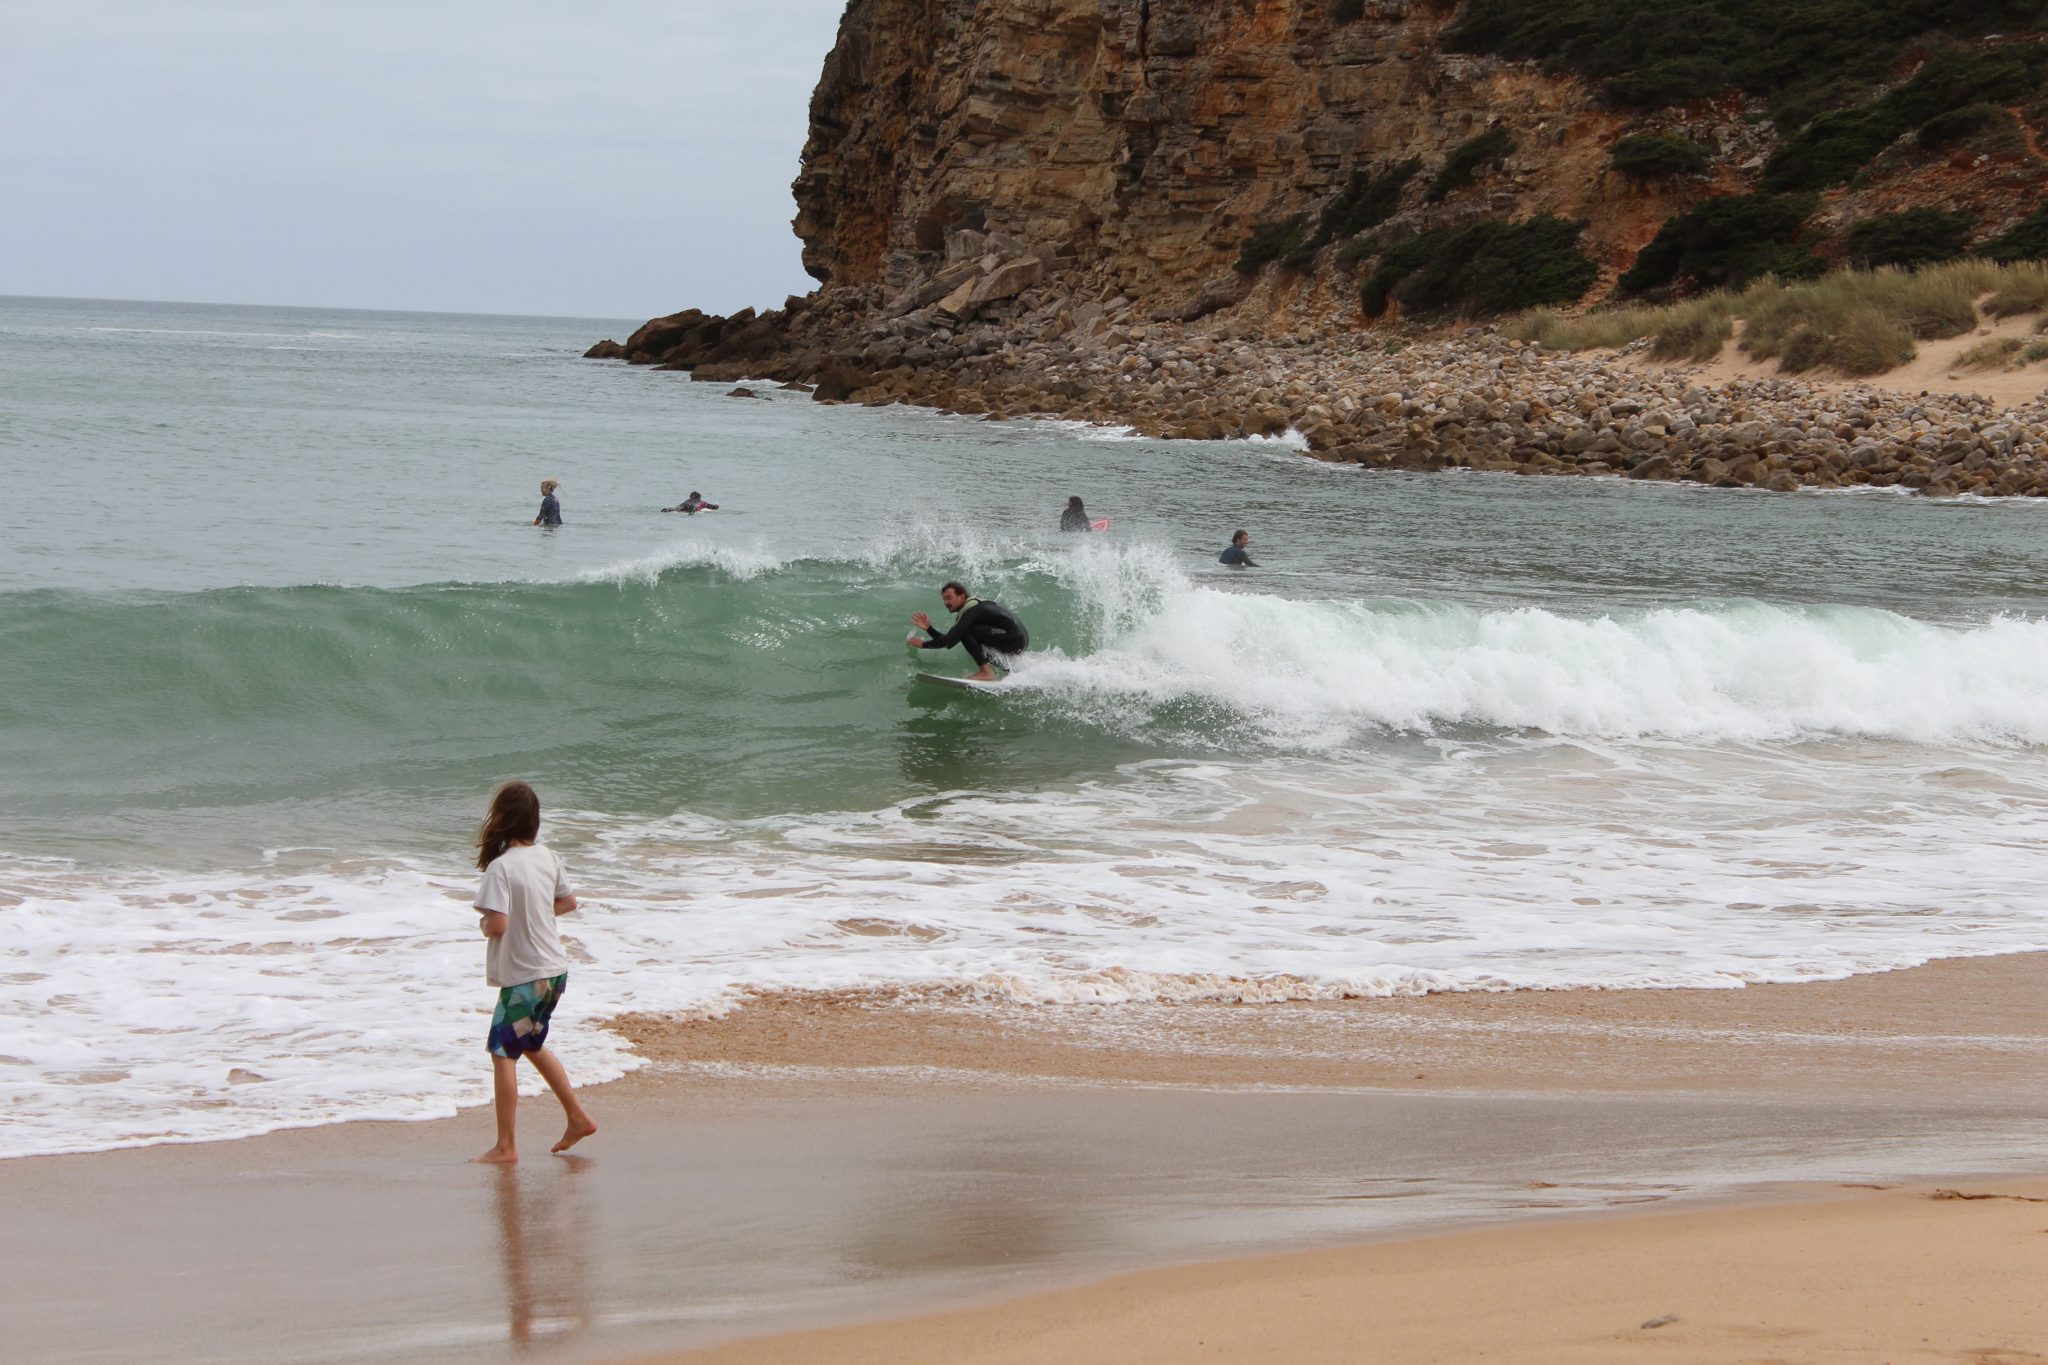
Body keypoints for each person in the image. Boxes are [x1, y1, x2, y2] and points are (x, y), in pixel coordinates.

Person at [471, 780, 596, 1163]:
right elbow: (569, 902)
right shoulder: (547, 857)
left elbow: (498, 926)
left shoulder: (501, 868)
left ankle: (506, 1146)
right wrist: (538, 915)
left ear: (501, 821)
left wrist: (483, 927)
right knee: (530, 1045)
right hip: (554, 974)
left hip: (525, 976)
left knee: (502, 1052)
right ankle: (577, 1117)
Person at [908, 581, 1030, 681]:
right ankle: (1011, 672)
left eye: (949, 598)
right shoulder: (973, 607)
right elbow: (951, 641)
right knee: (973, 637)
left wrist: (924, 644)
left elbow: (949, 640)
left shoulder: (971, 611)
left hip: (1013, 637)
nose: (946, 603)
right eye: (944, 599)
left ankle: (986, 672)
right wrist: (929, 629)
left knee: (968, 631)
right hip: (1017, 639)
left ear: (961, 596)